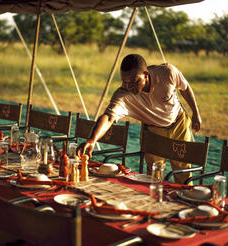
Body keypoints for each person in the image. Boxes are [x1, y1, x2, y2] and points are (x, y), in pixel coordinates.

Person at [77, 54, 201, 184]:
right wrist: (92, 139)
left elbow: (185, 88)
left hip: (179, 123)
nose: (129, 86)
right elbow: (108, 117)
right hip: (153, 130)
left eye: (134, 81)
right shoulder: (124, 94)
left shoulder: (167, 73)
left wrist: (195, 112)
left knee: (183, 172)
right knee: (154, 175)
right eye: (125, 82)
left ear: (146, 74)